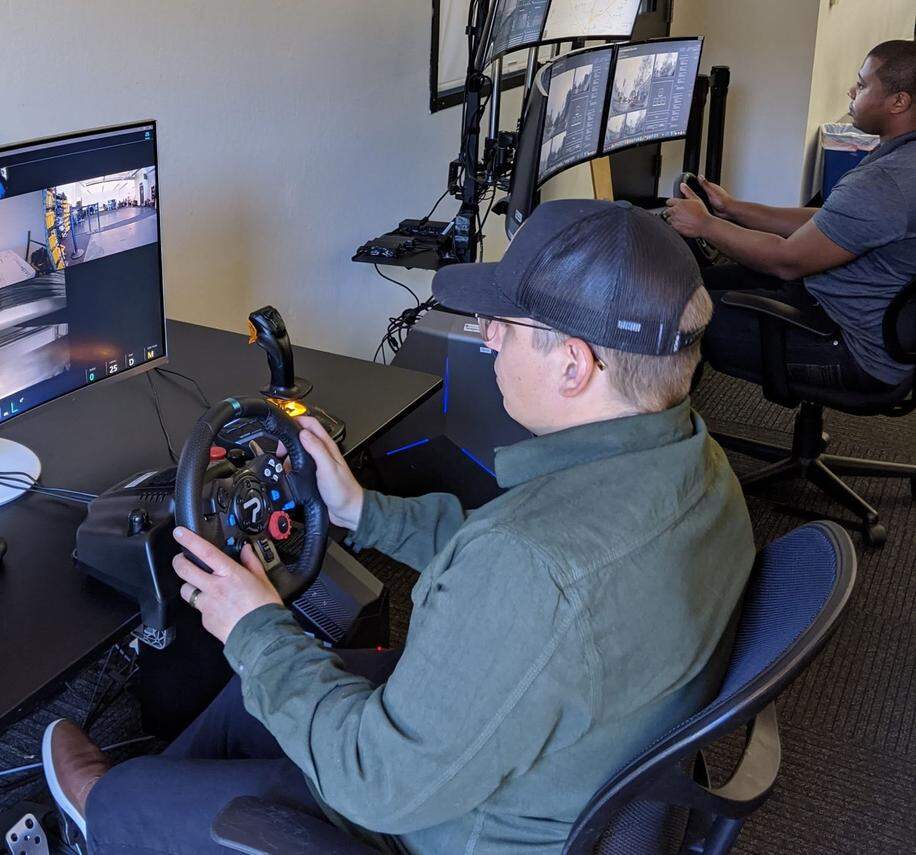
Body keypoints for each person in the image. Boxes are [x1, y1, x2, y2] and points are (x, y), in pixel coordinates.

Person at [42, 200, 756, 854]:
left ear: (575, 365)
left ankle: (118, 810)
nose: (487, 335)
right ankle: (169, 810)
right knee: (239, 700)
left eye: (506, 324)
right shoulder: (694, 461)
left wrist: (254, 624)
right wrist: (360, 509)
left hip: (442, 824)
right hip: (568, 758)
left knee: (144, 778)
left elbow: (377, 782)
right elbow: (504, 550)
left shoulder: (532, 569)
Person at [665, 39, 916, 391]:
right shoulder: (902, 158)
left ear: (899, 101)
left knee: (665, 314)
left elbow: (786, 261)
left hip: (849, 346)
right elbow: (829, 221)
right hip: (857, 311)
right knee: (688, 285)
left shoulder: (885, 183)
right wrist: (732, 209)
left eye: (861, 85)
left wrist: (705, 224)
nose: (851, 91)